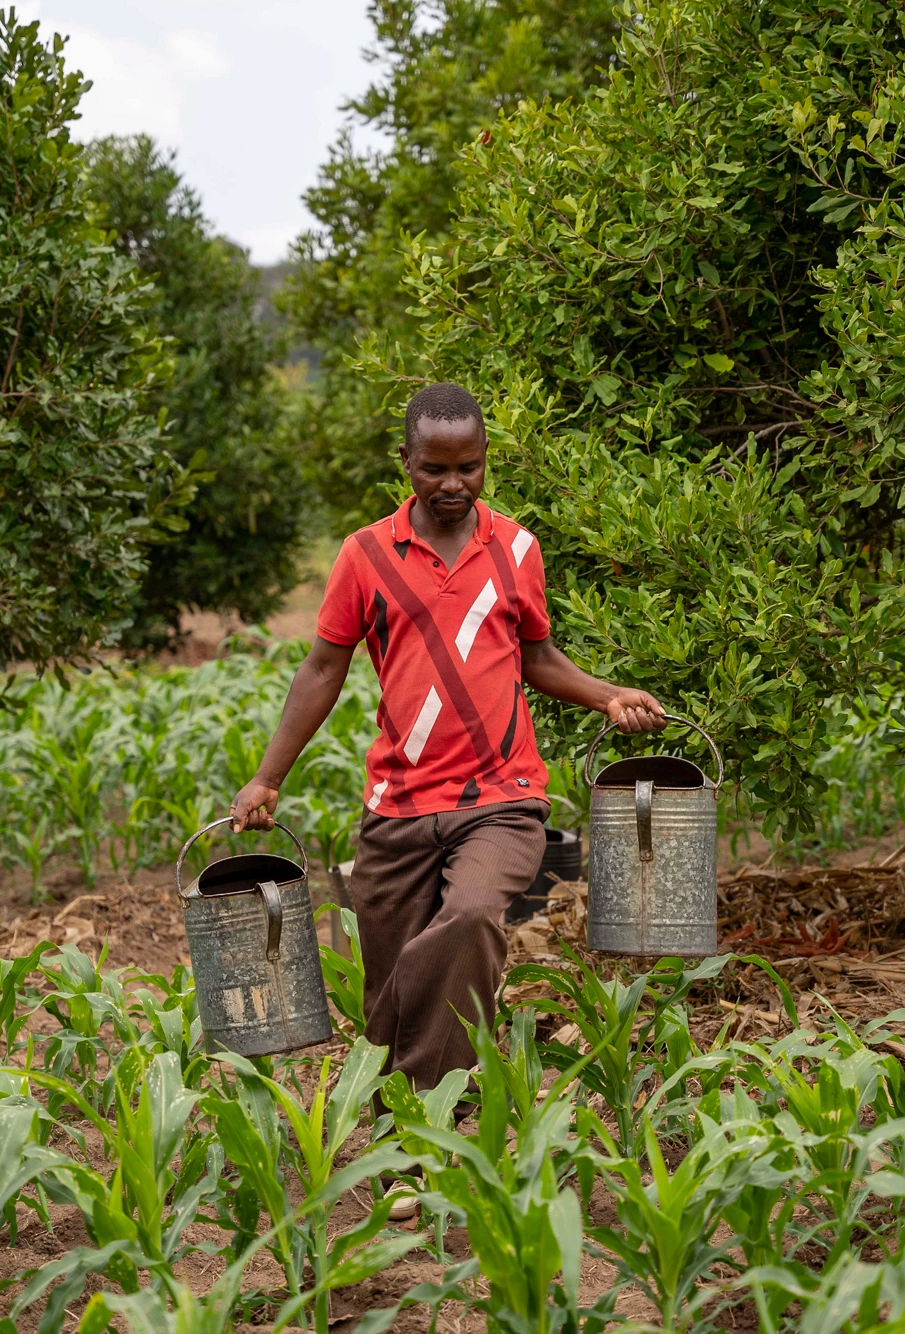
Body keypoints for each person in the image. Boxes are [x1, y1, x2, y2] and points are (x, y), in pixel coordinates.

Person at [230, 382, 665, 1214]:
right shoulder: (365, 555)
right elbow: (323, 668)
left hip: (502, 797)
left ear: (484, 461)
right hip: (396, 809)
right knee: (393, 986)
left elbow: (537, 658)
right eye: (436, 468)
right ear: (407, 463)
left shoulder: (517, 551)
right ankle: (412, 1150)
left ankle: (424, 1142)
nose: (454, 483)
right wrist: (268, 776)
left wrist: (608, 694)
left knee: (468, 922)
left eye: (469, 466)